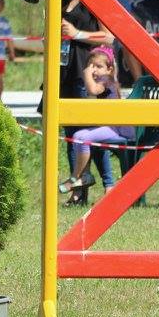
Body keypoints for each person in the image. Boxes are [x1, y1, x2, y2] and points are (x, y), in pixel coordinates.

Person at [56, 0, 116, 205]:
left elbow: (109, 37)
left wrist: (77, 34)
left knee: (91, 134)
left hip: (86, 75)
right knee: (71, 137)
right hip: (63, 73)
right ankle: (78, 191)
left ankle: (109, 186)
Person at [58, 47, 135, 201]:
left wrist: (86, 73)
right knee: (81, 136)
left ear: (109, 69)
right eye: (91, 66)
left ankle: (77, 178)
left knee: (81, 137)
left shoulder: (106, 79)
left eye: (98, 66)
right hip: (109, 128)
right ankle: (84, 176)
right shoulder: (104, 80)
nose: (94, 70)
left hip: (118, 130)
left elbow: (92, 90)